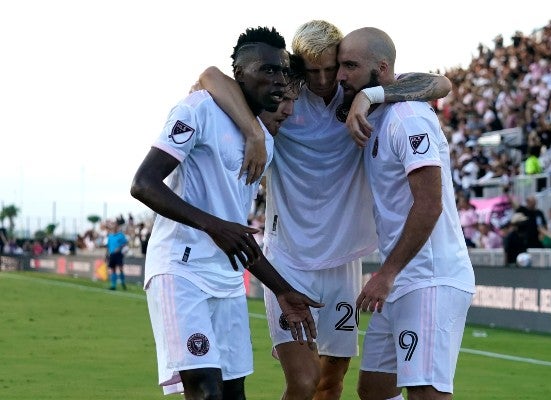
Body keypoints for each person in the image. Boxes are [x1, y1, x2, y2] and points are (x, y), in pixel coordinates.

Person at [194, 20, 452, 400]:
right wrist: (252, 131)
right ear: (298, 65)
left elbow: (440, 84)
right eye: (312, 70)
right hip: (288, 259)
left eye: (331, 68)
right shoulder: (283, 95)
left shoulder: (361, 92)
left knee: (331, 384)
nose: (323, 79)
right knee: (303, 382)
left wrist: (368, 97)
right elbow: (211, 76)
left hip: (343, 263)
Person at [130, 27, 322, 400]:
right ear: (240, 75)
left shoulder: (264, 142)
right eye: (266, 71)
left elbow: (236, 232)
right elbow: (144, 183)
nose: (278, 81)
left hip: (228, 281)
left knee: (234, 394)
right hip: (181, 270)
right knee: (206, 390)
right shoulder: (200, 108)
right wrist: (211, 225)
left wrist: (282, 290)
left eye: (281, 72)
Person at [336, 27, 475, 400]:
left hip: (429, 276)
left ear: (381, 69)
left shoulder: (408, 116)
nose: (340, 76)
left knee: (426, 392)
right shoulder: (375, 116)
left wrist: (387, 273)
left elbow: (429, 204)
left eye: (350, 66)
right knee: (376, 390)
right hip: (401, 279)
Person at [105, 219, 129, 290]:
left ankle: (123, 282)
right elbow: (108, 246)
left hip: (118, 254)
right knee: (113, 269)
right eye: (113, 226)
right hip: (112, 255)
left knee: (121, 269)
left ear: (117, 227)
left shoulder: (121, 235)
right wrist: (106, 255)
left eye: (115, 226)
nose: (114, 227)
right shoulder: (110, 236)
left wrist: (119, 247)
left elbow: (125, 243)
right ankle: (113, 285)